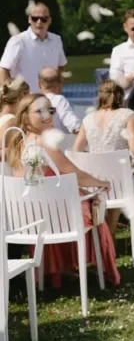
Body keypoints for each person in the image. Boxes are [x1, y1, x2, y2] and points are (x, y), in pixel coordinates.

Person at [2, 94, 119, 288]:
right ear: (24, 116)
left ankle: (61, 269)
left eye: (50, 110)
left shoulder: (16, 143)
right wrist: (102, 183)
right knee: (91, 205)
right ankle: (97, 269)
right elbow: (75, 174)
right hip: (52, 217)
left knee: (78, 201)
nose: (47, 115)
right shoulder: (43, 143)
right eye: (39, 111)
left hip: (28, 217)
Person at [73, 79, 134, 237]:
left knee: (117, 182)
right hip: (119, 181)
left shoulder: (88, 119)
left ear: (100, 96)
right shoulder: (128, 115)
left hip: (94, 182)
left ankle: (107, 235)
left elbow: (76, 150)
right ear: (122, 97)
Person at [0, 2, 67, 92]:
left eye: (44, 19)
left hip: (49, 100)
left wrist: (58, 90)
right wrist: (10, 98)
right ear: (29, 19)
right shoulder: (18, 41)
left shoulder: (56, 40)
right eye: (35, 18)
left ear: (50, 20)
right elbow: (3, 70)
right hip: (25, 101)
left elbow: (61, 67)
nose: (39, 22)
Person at [37, 67, 81, 133]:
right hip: (55, 142)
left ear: (39, 85)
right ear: (60, 83)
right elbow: (74, 124)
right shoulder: (59, 100)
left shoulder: (31, 101)